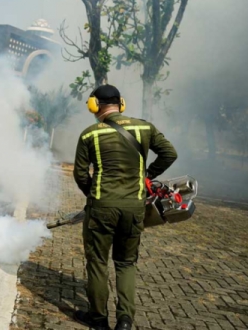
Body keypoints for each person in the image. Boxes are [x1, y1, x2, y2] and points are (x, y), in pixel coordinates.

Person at [72, 85, 177, 330]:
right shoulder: (144, 127)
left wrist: (94, 196)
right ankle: (125, 321)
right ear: (121, 103)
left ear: (94, 105)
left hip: (101, 208)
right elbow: (169, 154)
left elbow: (80, 174)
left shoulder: (89, 135)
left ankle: (98, 320)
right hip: (134, 208)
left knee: (97, 261)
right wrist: (147, 175)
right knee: (126, 262)